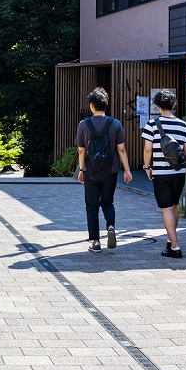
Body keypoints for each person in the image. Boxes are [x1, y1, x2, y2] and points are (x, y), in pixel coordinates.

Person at [75, 88, 133, 252]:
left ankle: (95, 242)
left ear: (91, 105)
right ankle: (111, 227)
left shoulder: (83, 125)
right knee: (107, 202)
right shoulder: (115, 124)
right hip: (111, 170)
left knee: (91, 206)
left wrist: (81, 169)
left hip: (90, 170)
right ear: (106, 105)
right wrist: (127, 170)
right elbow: (121, 149)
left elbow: (81, 150)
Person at [141, 89, 186, 259]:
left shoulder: (152, 124)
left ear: (157, 106)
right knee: (173, 206)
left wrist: (146, 167)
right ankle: (170, 239)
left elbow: (148, 148)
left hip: (161, 173)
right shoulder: (183, 124)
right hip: (179, 172)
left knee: (165, 209)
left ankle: (175, 246)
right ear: (174, 105)